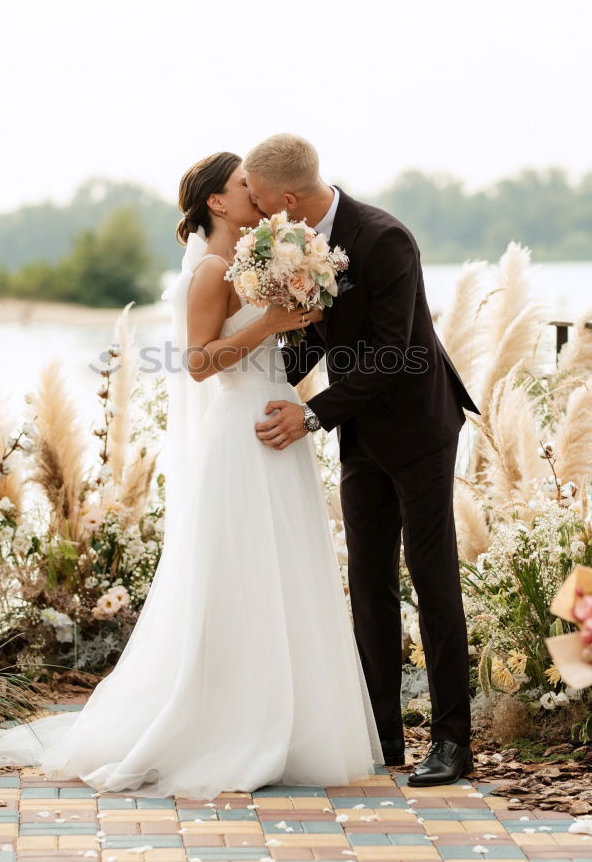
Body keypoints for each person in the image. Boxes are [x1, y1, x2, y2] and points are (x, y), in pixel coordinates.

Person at [0, 152, 383, 797]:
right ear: (217, 201)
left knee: (285, 571)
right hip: (241, 431)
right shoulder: (211, 269)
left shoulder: (248, 263)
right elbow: (201, 364)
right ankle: (231, 727)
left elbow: (280, 343)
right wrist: (273, 320)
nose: (258, 196)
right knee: (239, 576)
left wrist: (302, 306)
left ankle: (289, 725)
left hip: (276, 421)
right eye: (245, 187)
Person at [244, 134, 479, 787]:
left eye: (263, 204)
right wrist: (259, 387)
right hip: (359, 431)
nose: (259, 217)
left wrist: (311, 414)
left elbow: (393, 347)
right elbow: (320, 333)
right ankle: (381, 733)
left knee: (431, 581)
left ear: (288, 199)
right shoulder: (298, 243)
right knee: (369, 582)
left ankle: (452, 743)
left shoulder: (383, 238)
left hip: (418, 426)